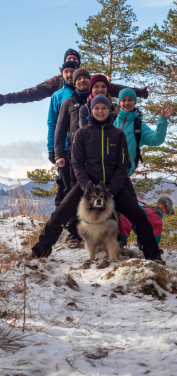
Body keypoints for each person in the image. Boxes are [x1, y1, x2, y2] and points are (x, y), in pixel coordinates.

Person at [31, 94, 161, 261]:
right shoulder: (82, 134)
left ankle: (153, 256)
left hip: (112, 188)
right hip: (87, 188)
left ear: (109, 110)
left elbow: (123, 166)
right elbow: (77, 164)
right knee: (58, 216)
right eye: (97, 108)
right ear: (91, 110)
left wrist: (111, 190)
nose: (100, 111)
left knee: (141, 218)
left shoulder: (118, 135)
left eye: (104, 108)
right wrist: (87, 188)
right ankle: (38, 253)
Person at [113, 88, 175, 246]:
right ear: (119, 102)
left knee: (132, 211)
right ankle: (114, 240)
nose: (126, 103)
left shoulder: (138, 125)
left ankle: (143, 242)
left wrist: (162, 120)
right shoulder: (111, 120)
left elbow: (156, 140)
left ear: (135, 102)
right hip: (106, 174)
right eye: (123, 100)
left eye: (130, 100)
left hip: (124, 175)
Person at [0, 48, 148, 106]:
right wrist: (7, 98)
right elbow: (33, 92)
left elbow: (115, 89)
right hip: (66, 133)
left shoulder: (89, 81)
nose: (71, 61)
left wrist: (139, 92)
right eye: (69, 59)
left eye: (75, 59)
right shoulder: (57, 82)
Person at [54, 68, 92, 248]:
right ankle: (73, 235)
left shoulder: (97, 101)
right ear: (74, 82)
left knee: (93, 192)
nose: (82, 81)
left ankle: (92, 234)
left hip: (94, 156)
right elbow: (59, 131)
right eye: (79, 78)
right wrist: (58, 154)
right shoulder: (67, 103)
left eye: (86, 78)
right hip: (72, 155)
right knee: (72, 194)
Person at [47, 60, 79, 207]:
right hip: (64, 148)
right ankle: (63, 223)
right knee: (66, 187)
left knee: (81, 186)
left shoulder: (86, 92)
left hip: (84, 147)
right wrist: (51, 149)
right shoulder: (57, 96)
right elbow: (52, 123)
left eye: (72, 71)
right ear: (62, 73)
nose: (69, 74)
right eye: (66, 71)